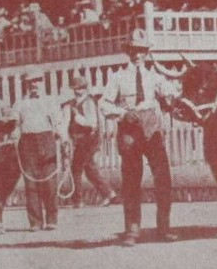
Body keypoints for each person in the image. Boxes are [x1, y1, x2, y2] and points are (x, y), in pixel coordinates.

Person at [100, 29, 179, 245]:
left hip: (152, 131)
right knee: (131, 181)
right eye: (134, 51)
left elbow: (172, 93)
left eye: (142, 51)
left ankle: (163, 228)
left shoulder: (155, 77)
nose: (138, 56)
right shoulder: (118, 77)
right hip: (130, 130)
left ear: (147, 53)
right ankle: (132, 230)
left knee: (163, 178)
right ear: (128, 52)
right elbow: (104, 103)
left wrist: (169, 98)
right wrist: (123, 112)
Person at [12, 75, 67, 230]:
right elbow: (16, 124)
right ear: (27, 85)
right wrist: (15, 133)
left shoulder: (49, 101)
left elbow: (58, 121)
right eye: (31, 82)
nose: (34, 85)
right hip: (27, 143)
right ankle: (35, 222)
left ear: (42, 83)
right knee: (31, 184)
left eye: (37, 81)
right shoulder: (20, 104)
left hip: (46, 140)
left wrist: (63, 139)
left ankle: (52, 219)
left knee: (49, 182)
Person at [64, 72, 115, 207]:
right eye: (75, 88)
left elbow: (91, 123)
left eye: (80, 88)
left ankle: (78, 200)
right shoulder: (78, 102)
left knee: (77, 168)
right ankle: (107, 193)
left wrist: (77, 118)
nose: (77, 91)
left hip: (88, 139)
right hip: (83, 140)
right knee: (89, 168)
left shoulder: (88, 102)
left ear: (85, 88)